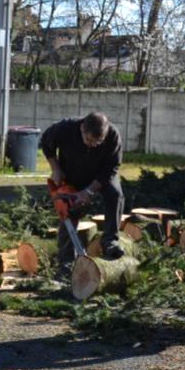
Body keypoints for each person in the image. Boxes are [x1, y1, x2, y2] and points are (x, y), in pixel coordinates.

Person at [39, 111, 125, 269]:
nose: (92, 144)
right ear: (82, 129)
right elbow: (46, 142)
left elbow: (112, 167)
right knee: (68, 207)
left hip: (101, 175)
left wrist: (89, 191)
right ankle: (66, 259)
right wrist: (55, 168)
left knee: (115, 194)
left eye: (97, 142)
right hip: (72, 173)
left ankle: (110, 241)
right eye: (89, 140)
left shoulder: (113, 135)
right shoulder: (65, 128)